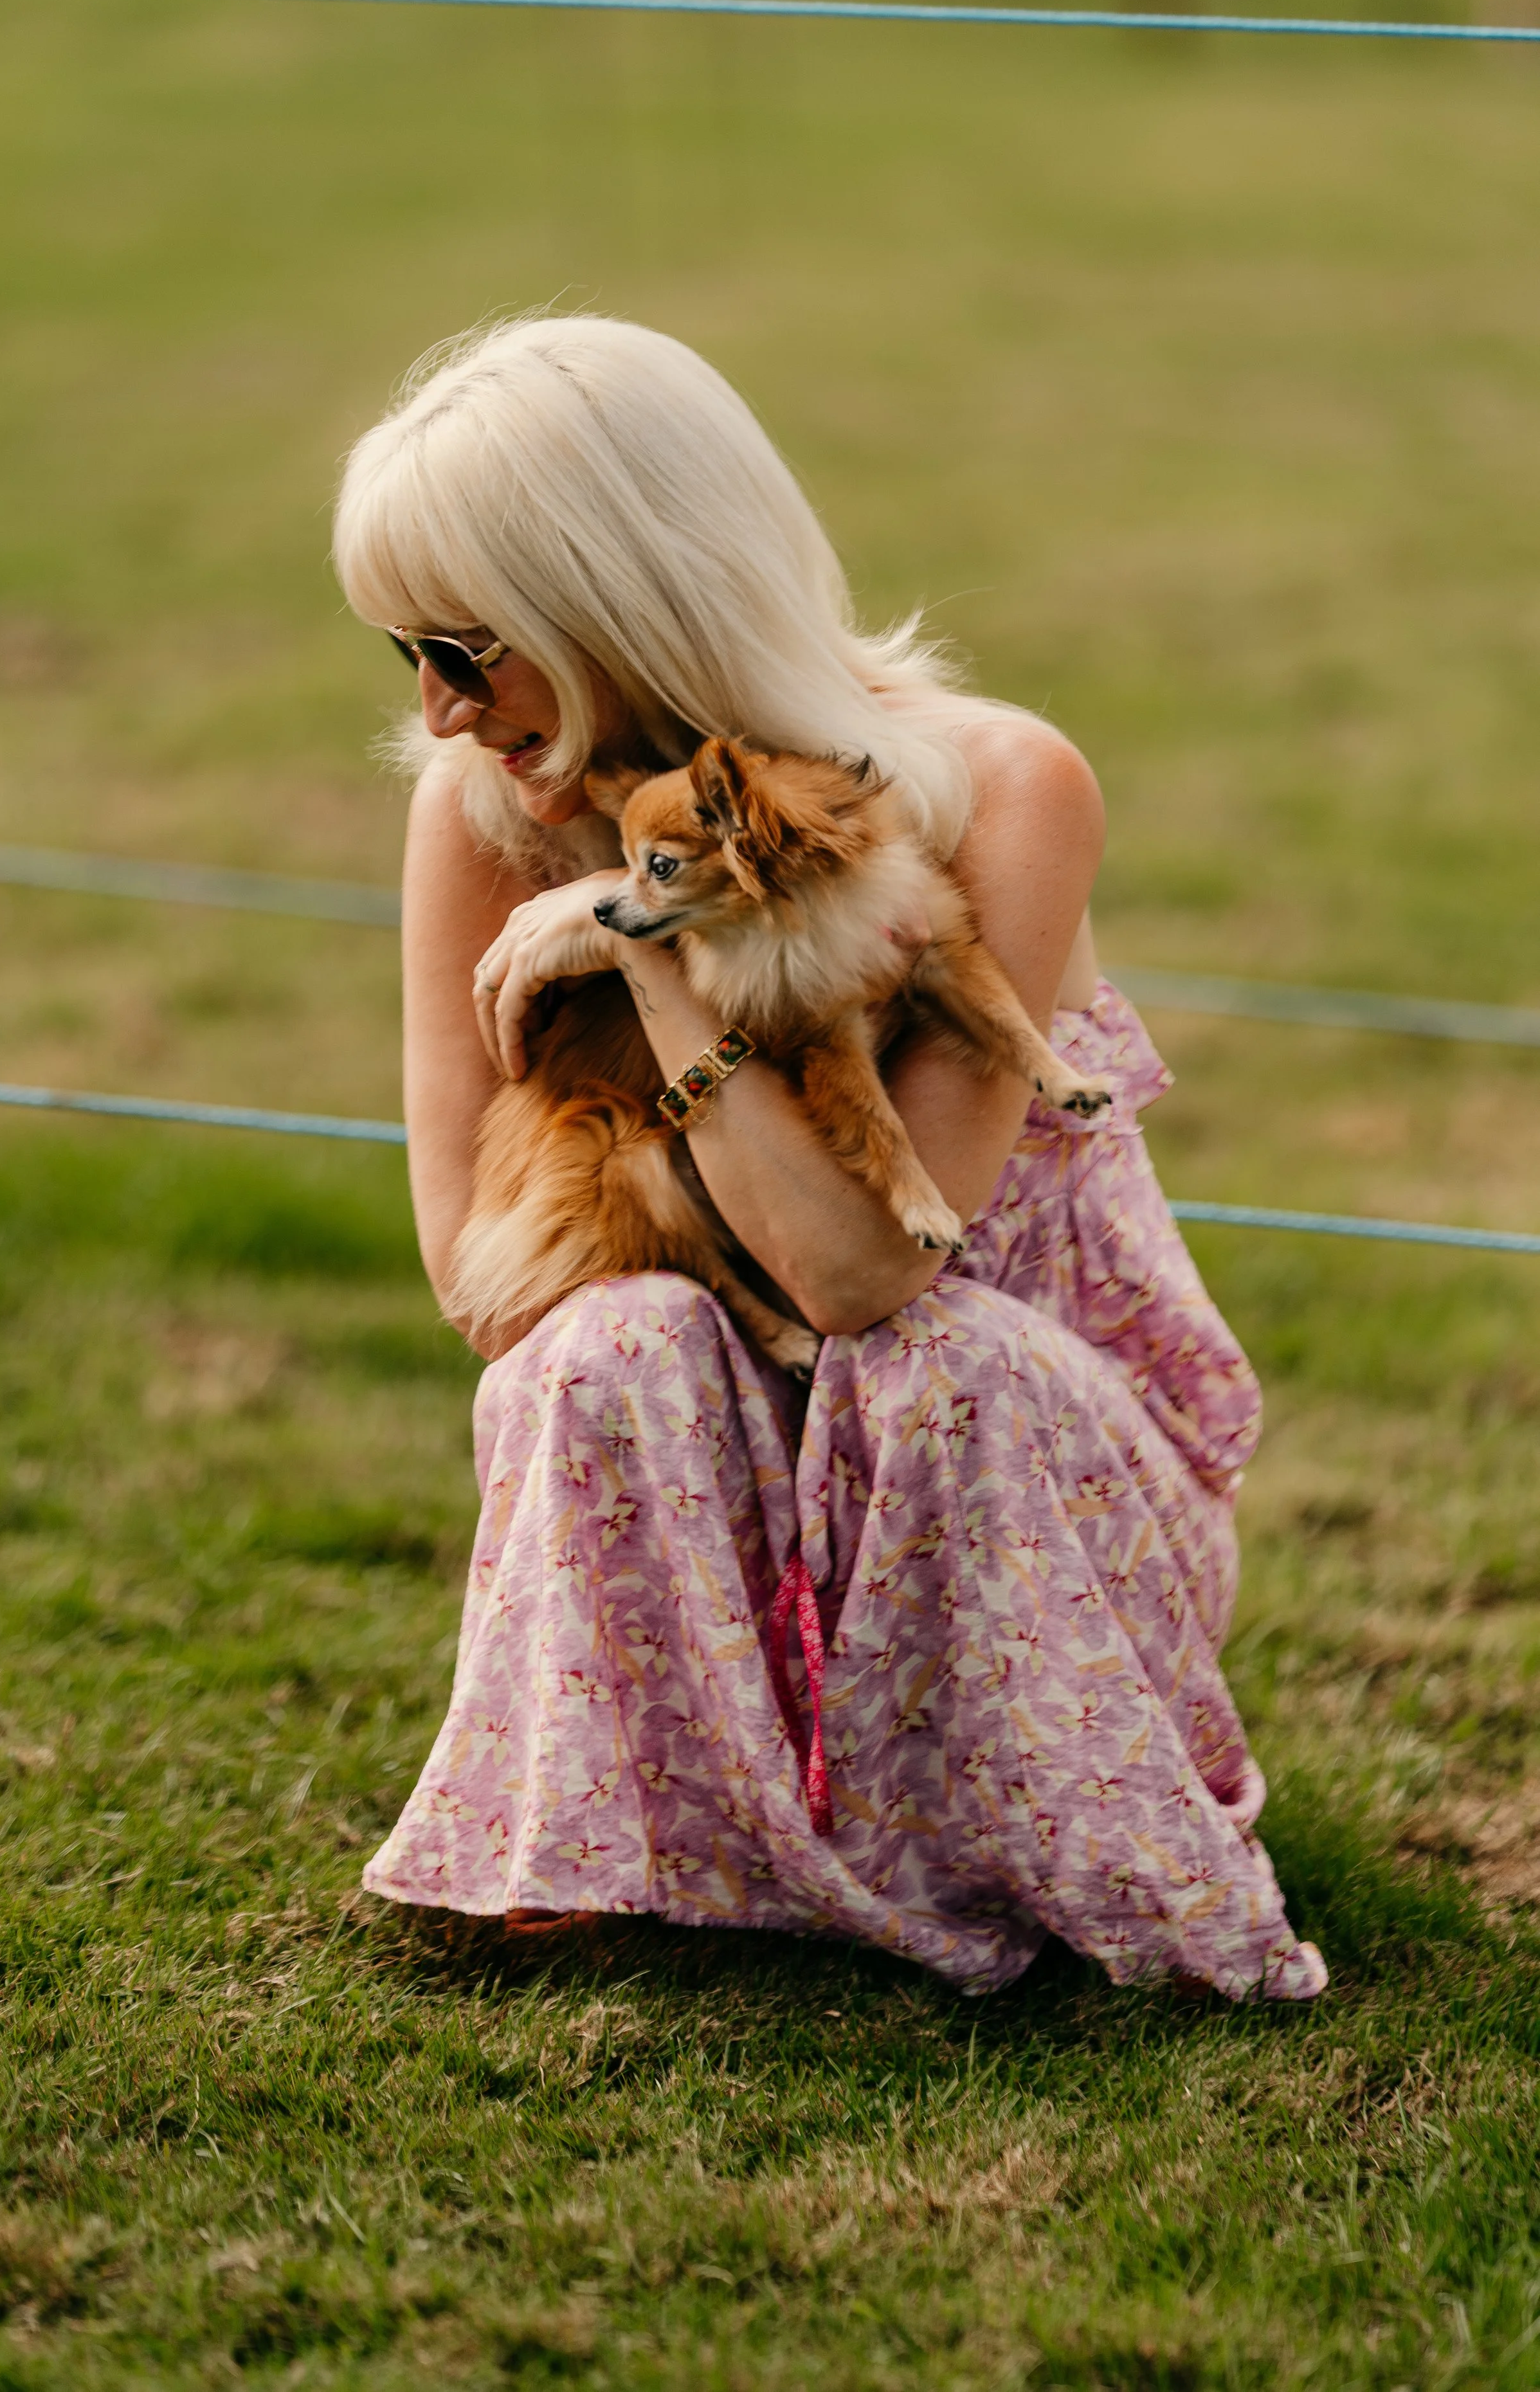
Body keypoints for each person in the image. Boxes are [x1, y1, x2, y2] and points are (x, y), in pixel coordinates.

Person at [332, 314, 1326, 2000]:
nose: (437, 713)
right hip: (726, 1449)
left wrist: (645, 949)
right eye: (401, 653)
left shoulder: (1002, 785)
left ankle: (983, 1833)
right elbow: (483, 1288)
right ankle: (665, 1828)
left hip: (1010, 1461)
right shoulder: (482, 808)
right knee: (602, 1350)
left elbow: (864, 1277)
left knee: (935, 1368)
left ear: (617, 601)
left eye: (468, 646)